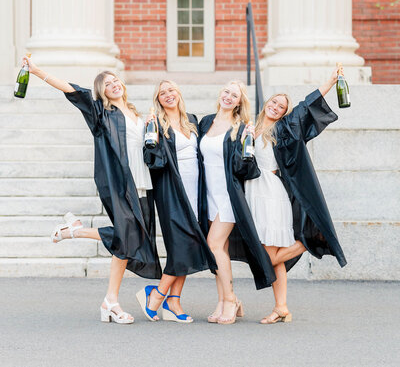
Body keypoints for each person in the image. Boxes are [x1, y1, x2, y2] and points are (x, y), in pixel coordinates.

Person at [22, 56, 161, 324]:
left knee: (129, 241)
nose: (113, 85)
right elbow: (71, 89)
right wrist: (38, 71)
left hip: (143, 182)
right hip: (121, 183)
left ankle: (109, 298)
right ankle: (76, 235)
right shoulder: (100, 113)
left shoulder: (136, 113)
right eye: (107, 84)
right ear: (102, 92)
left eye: (115, 80)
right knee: (126, 235)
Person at [245, 68, 347, 324]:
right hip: (254, 193)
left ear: (283, 113)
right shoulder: (252, 127)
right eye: (274, 102)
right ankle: (281, 307)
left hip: (271, 194)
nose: (276, 107)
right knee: (275, 255)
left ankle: (306, 244)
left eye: (281, 106)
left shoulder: (285, 129)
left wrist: (331, 81)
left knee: (268, 256)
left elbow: (305, 106)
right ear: (267, 104)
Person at [137, 80, 217, 324]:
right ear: (158, 100)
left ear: (179, 93)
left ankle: (174, 302)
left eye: (171, 90)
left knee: (190, 243)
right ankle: (158, 294)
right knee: (181, 243)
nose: (168, 95)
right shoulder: (156, 123)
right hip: (171, 190)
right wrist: (152, 135)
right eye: (162, 93)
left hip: (196, 190)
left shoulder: (191, 120)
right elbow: (152, 161)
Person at [198, 81, 276, 325]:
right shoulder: (206, 121)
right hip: (208, 192)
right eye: (227, 92)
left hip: (228, 194)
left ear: (240, 102)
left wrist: (248, 142)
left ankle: (230, 299)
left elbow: (244, 166)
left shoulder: (241, 127)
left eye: (235, 95)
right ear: (220, 93)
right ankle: (223, 301)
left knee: (214, 243)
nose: (229, 97)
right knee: (218, 250)